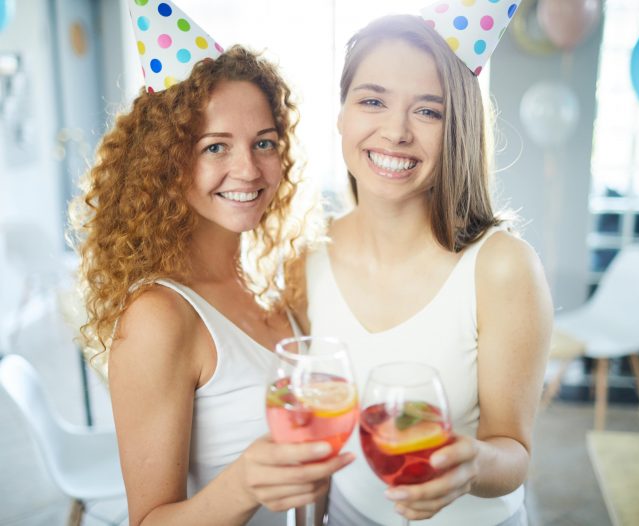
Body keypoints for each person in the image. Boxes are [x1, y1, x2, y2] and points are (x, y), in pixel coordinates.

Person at [69, 17, 351, 526]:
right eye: (215, 146)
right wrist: (244, 482)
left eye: (263, 142)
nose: (247, 169)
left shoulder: (266, 279)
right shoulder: (159, 317)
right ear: (167, 162)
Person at [303, 13, 553, 526]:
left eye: (428, 112)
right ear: (342, 115)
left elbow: (514, 452)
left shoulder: (503, 267)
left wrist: (475, 464)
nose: (395, 132)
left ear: (458, 127)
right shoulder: (308, 257)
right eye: (372, 100)